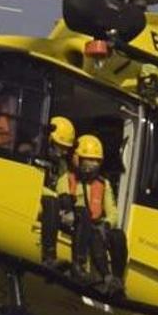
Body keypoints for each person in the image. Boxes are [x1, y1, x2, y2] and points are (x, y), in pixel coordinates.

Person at [61, 134, 128, 295]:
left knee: (118, 235)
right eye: (89, 159)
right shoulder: (68, 179)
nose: (93, 164)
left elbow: (113, 213)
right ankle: (86, 269)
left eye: (97, 161)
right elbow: (61, 200)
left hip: (96, 226)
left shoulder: (104, 184)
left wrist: (106, 224)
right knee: (88, 223)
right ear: (78, 159)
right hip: (76, 226)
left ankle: (116, 280)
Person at [39, 116, 76, 268]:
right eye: (60, 147)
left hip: (50, 204)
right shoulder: (36, 154)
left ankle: (78, 263)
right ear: (50, 140)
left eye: (66, 149)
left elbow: (62, 183)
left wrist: (66, 198)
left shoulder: (61, 164)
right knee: (53, 203)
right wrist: (53, 195)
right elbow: (32, 183)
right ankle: (48, 256)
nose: (63, 152)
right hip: (34, 198)